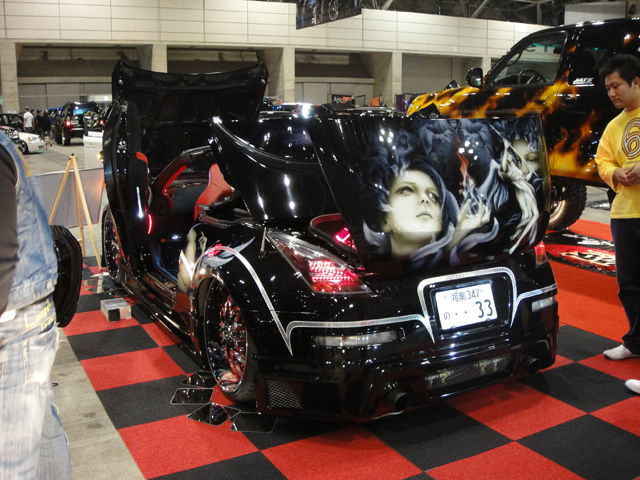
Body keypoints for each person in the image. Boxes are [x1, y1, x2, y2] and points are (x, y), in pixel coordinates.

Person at [0, 131, 72, 478]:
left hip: (16, 325)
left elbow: (3, 258)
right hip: (26, 315)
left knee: (11, 465)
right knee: (40, 433)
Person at [595, 54, 640, 394]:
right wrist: (616, 173)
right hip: (624, 213)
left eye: (617, 86)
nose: (611, 93)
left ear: (636, 82)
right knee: (629, 285)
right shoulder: (613, 126)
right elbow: (602, 162)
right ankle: (635, 342)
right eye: (608, 87)